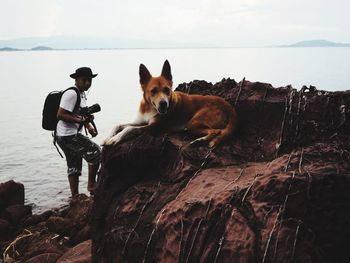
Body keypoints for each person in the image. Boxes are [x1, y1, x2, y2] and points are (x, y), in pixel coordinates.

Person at [56, 67, 101, 197]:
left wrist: (88, 125)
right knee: (96, 153)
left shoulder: (81, 93)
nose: (87, 83)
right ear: (76, 80)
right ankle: (92, 186)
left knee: (74, 165)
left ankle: (75, 197)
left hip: (64, 135)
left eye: (90, 80)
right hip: (67, 135)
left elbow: (79, 113)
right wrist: (80, 120)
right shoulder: (71, 94)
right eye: (84, 80)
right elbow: (60, 114)